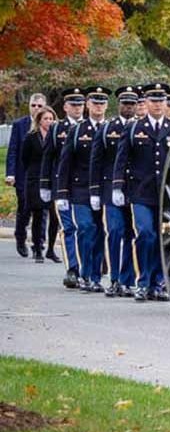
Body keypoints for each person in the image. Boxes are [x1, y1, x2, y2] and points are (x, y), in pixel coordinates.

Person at [112, 83, 170, 302]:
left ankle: (159, 282)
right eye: (153, 101)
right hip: (141, 192)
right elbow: (121, 158)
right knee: (146, 234)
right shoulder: (135, 128)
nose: (158, 105)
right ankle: (143, 282)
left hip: (168, 194)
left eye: (161, 101)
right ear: (145, 102)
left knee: (164, 238)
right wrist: (118, 185)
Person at [56, 86, 110, 293]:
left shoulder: (109, 128)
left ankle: (96, 276)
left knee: (99, 232)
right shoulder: (77, 130)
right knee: (86, 228)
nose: (98, 107)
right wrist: (61, 193)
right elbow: (65, 162)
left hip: (103, 188)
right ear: (87, 105)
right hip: (80, 189)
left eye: (102, 103)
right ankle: (85, 273)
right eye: (95, 103)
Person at [90, 85, 139, 297]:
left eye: (132, 104)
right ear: (118, 105)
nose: (128, 107)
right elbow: (96, 161)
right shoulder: (107, 128)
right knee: (115, 232)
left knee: (131, 234)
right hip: (111, 189)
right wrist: (95, 191)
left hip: (135, 190)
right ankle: (114, 278)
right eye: (125, 103)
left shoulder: (140, 127)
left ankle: (127, 280)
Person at [41, 88, 86, 288]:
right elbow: (48, 157)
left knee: (86, 228)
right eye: (73, 105)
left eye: (80, 105)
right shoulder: (57, 128)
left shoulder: (89, 128)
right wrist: (45, 185)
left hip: (83, 185)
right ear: (66, 107)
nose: (77, 108)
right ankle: (72, 268)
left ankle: (87, 268)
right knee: (69, 228)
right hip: (62, 186)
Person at [6, 93, 47, 257]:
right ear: (29, 106)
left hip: (42, 176)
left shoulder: (49, 123)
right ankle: (20, 237)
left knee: (42, 210)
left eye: (40, 106)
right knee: (25, 208)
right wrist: (10, 174)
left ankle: (39, 243)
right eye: (34, 105)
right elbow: (13, 150)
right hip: (24, 175)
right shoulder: (19, 125)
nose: (36, 108)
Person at [21, 105, 57, 262]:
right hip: (35, 179)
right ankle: (38, 249)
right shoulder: (31, 137)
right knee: (38, 215)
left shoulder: (57, 135)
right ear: (39, 120)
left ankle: (50, 249)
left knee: (54, 217)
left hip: (53, 179)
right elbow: (25, 159)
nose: (48, 121)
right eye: (45, 119)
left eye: (51, 118)